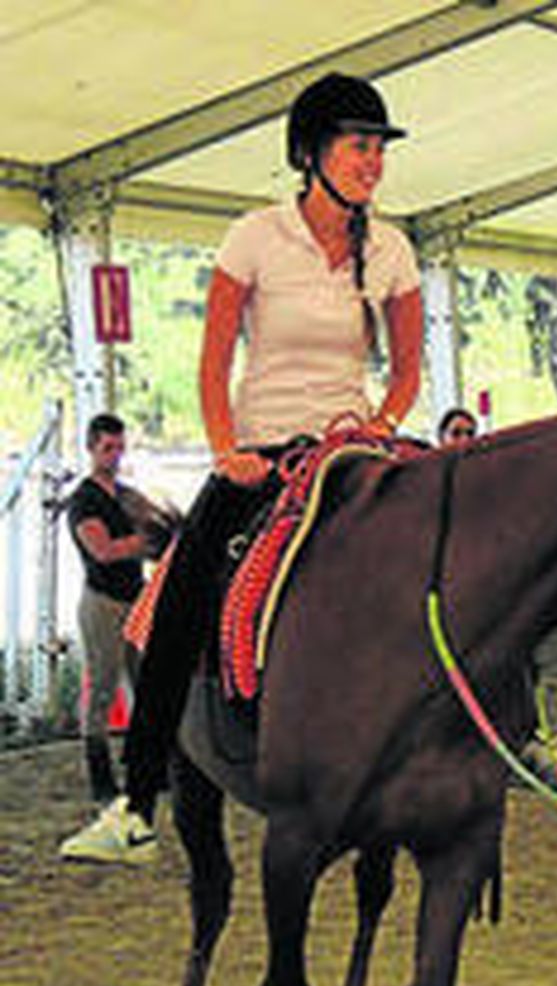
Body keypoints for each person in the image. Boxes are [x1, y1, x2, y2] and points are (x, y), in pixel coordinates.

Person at [60, 72, 422, 864]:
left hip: (352, 449)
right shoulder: (255, 236)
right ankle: (137, 804)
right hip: (262, 453)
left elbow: (406, 371)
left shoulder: (392, 249)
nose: (373, 161)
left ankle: (521, 734)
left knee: (465, 531)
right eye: (359, 146)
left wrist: (385, 425)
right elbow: (214, 359)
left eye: (379, 149)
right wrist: (228, 450)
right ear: (311, 153)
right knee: (178, 597)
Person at [60, 414, 164, 808]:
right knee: (103, 688)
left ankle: (147, 769)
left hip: (134, 598)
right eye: (108, 448)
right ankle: (100, 777)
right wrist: (143, 540)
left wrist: (143, 541)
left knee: (146, 685)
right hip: (102, 601)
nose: (115, 455)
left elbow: (157, 535)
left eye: (119, 447)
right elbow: (102, 551)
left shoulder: (127, 494)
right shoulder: (83, 500)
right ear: (91, 449)